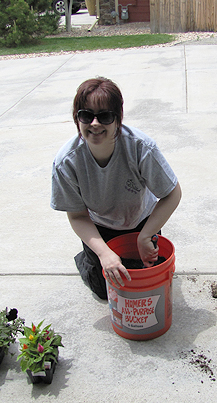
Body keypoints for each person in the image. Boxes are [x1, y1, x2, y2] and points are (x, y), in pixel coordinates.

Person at [51, 77, 181, 299]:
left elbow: (172, 194)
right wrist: (103, 253)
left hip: (141, 221)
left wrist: (145, 236)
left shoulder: (141, 147)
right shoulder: (66, 162)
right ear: (77, 118)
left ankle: (109, 251)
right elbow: (78, 216)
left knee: (146, 281)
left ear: (118, 119)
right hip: (100, 226)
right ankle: (87, 257)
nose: (94, 123)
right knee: (105, 290)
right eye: (86, 115)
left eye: (104, 116)